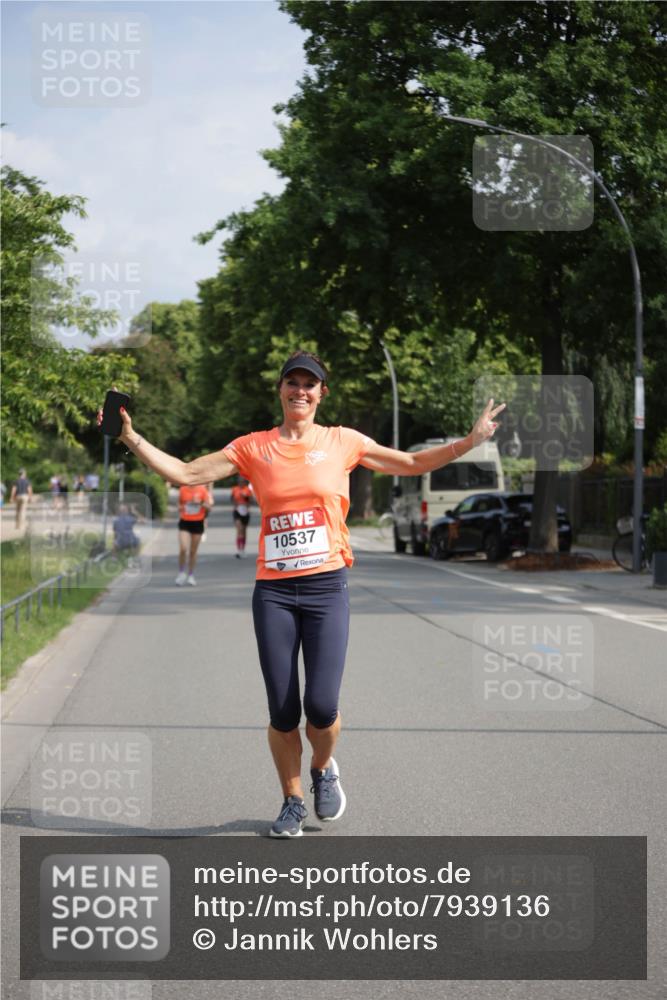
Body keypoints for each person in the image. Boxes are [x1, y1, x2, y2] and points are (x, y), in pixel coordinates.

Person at [97, 351, 504, 837]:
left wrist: (470, 442)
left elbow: (413, 463)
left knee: (323, 706)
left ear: (321, 394)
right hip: (274, 592)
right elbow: (185, 473)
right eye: (293, 383)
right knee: (284, 709)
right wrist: (129, 437)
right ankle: (291, 799)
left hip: (326, 587)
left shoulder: (342, 442)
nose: (301, 391)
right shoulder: (254, 447)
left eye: (311, 385)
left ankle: (323, 769)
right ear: (281, 390)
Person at [175, 481, 212, 585]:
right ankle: (181, 573)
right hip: (185, 521)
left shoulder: (202, 490)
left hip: (198, 522)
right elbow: (179, 504)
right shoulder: (183, 489)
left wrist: (200, 503)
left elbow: (209, 507)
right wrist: (180, 507)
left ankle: (191, 575)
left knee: (192, 551)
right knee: (183, 549)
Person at [230, 475, 253, 558]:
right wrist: (236, 504)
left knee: (243, 531)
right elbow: (232, 499)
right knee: (239, 529)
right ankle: (238, 550)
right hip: (237, 511)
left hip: (245, 511)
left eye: (242, 481)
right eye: (240, 481)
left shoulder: (248, 490)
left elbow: (251, 501)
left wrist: (246, 497)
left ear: (245, 482)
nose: (241, 483)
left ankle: (243, 548)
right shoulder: (234, 489)